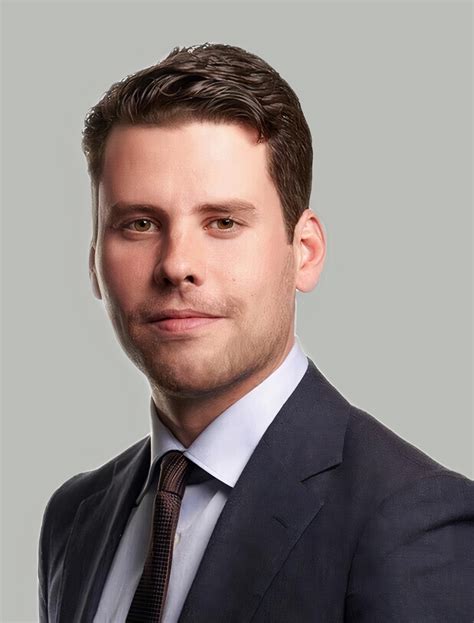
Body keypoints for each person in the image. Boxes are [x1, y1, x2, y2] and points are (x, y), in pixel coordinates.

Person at [38, 43, 474, 623]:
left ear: (304, 252)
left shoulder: (411, 522)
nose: (176, 264)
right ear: (95, 261)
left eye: (223, 222)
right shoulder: (74, 519)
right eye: (139, 224)